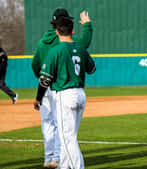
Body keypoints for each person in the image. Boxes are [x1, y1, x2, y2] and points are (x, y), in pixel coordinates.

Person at [32, 8, 93, 168]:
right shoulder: (80, 48)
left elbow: (43, 78)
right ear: (72, 30)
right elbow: (92, 69)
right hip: (80, 94)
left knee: (66, 137)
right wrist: (87, 25)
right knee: (69, 136)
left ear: (58, 31)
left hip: (63, 94)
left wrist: (38, 98)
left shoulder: (53, 50)